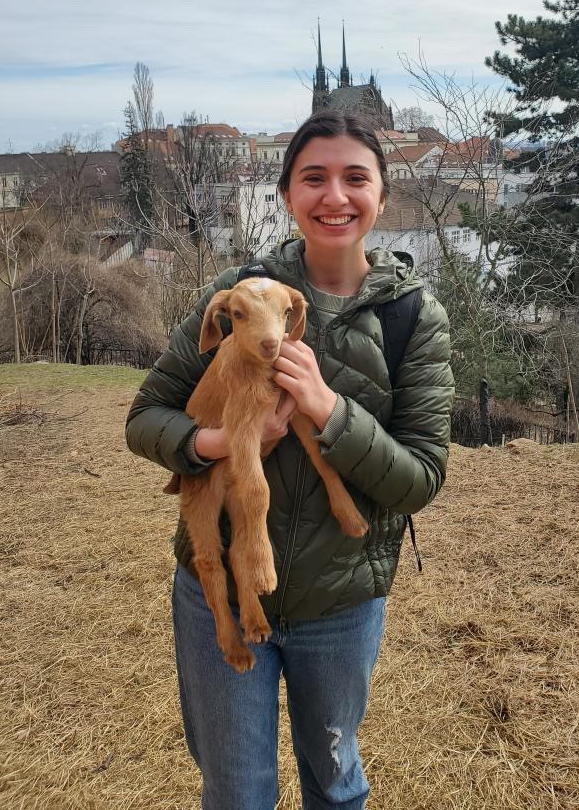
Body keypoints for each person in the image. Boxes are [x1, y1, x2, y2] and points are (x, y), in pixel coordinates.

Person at [126, 110, 454, 809]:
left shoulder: (412, 317)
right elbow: (146, 419)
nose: (335, 196)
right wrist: (215, 444)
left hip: (341, 601)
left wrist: (331, 411)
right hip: (217, 586)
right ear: (286, 195)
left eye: (355, 178)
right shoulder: (237, 294)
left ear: (382, 193)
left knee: (335, 786)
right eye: (313, 178)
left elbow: (421, 478)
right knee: (237, 793)